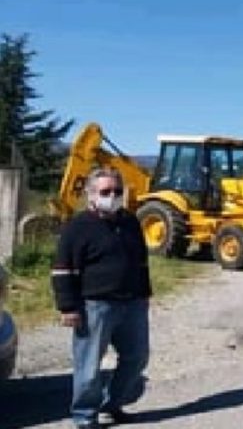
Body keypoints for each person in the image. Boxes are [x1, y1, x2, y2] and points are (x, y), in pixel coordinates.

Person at [51, 168, 151, 429]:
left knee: (137, 357)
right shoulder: (77, 227)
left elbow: (141, 262)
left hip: (132, 304)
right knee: (89, 365)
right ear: (91, 195)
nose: (113, 196)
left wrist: (145, 294)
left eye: (117, 191)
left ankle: (112, 404)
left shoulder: (130, 222)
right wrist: (67, 307)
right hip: (95, 306)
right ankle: (85, 415)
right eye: (106, 192)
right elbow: (63, 269)